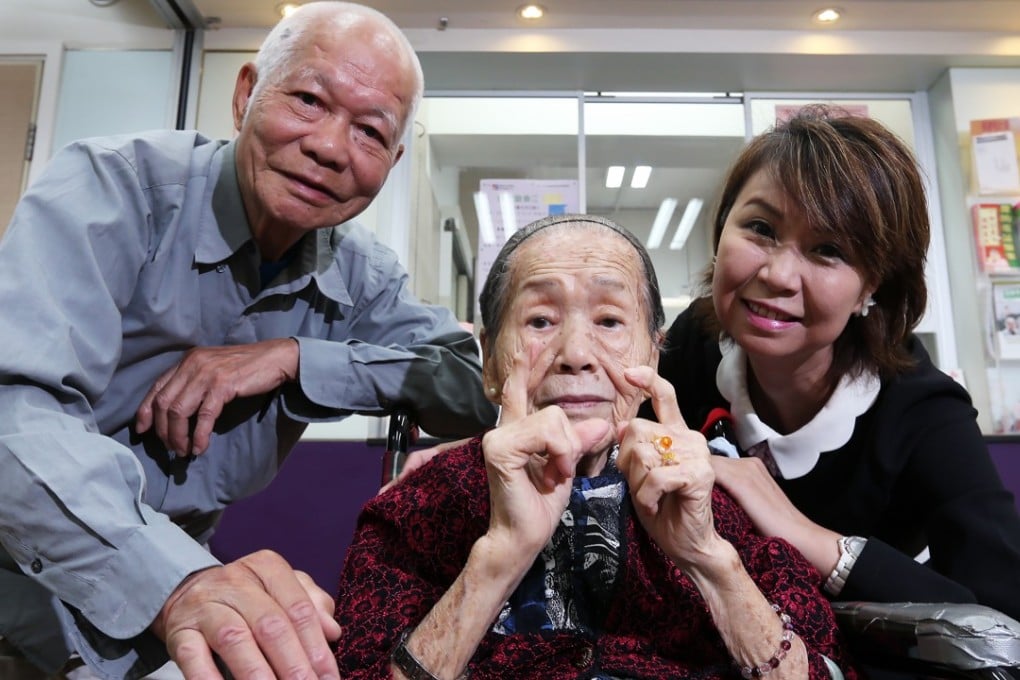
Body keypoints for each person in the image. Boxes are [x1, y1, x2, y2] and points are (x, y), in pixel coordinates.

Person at [0, 3, 497, 679]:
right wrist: (178, 583)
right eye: (309, 100)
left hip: (174, 601)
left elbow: (473, 384)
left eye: (371, 133)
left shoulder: (364, 274)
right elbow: (14, 419)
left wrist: (298, 360)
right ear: (245, 95)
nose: (329, 146)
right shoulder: (116, 190)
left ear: (393, 160)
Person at [334, 214, 859, 680]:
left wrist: (708, 561)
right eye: (541, 321)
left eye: (609, 321)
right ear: (492, 361)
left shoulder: (713, 498)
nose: (577, 354)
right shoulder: (418, 506)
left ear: (652, 355)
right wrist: (499, 557)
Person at [650, 106, 1020, 622]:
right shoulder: (693, 343)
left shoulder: (918, 408)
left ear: (872, 286)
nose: (778, 274)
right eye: (760, 227)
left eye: (828, 250)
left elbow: (1002, 616)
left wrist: (808, 537)